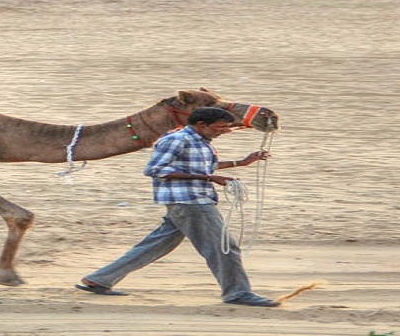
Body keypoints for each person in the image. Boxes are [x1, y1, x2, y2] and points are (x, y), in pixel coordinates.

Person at [75, 107, 279, 307]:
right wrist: (209, 178)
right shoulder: (177, 140)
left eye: (227, 127)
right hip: (190, 202)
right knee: (223, 247)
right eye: (220, 127)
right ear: (201, 125)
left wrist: (241, 163)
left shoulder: (199, 141)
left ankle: (99, 280)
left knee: (156, 245)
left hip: (191, 200)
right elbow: (155, 169)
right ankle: (237, 293)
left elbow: (200, 165)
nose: (225, 131)